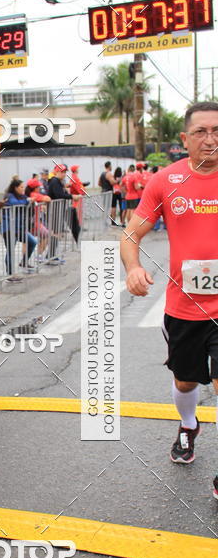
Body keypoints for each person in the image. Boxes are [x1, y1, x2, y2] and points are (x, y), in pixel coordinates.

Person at [120, 101, 218, 499]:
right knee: (185, 380)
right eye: (201, 132)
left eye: (217, 131)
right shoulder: (166, 180)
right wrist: (133, 268)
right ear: (185, 139)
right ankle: (188, 423)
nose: (210, 139)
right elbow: (131, 234)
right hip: (185, 308)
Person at [1, 177, 37, 276]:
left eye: (23, 187)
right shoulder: (9, 196)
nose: (23, 189)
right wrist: (27, 201)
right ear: (16, 188)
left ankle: (24, 262)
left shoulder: (22, 196)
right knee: (10, 251)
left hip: (19, 228)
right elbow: (14, 203)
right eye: (21, 187)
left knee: (33, 242)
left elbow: (28, 199)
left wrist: (29, 200)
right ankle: (10, 274)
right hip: (8, 228)